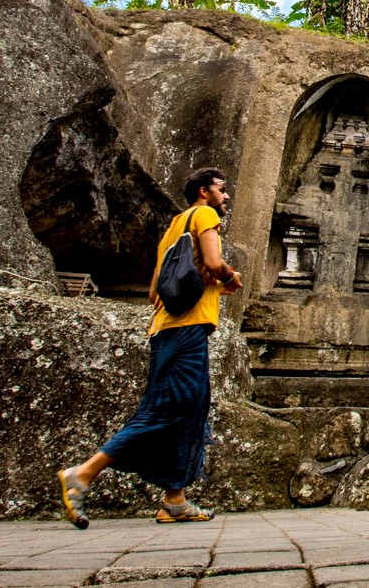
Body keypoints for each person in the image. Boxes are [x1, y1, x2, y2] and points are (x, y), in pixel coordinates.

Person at [57, 167, 243, 529]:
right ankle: (83, 473)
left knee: (190, 411)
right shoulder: (204, 216)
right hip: (186, 330)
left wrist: (208, 285)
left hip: (165, 327)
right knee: (164, 409)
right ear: (203, 192)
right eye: (221, 189)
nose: (225, 196)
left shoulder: (173, 229)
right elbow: (214, 262)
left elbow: (155, 291)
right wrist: (228, 277)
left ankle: (174, 500)